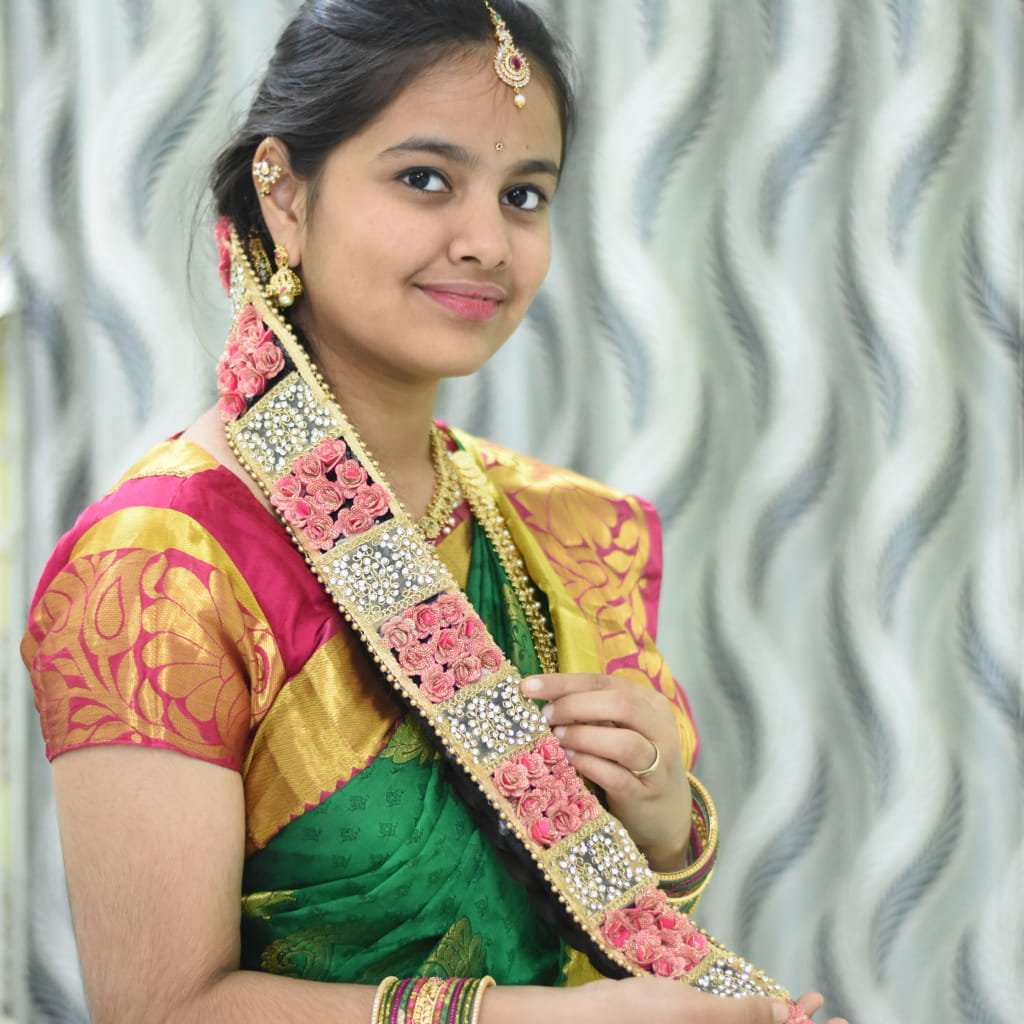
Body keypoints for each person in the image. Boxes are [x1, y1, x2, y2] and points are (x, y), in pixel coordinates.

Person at [22, 2, 848, 1022]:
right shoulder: (158, 567)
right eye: (425, 179)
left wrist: (667, 830)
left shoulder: (563, 529)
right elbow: (158, 1009)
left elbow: (592, 925)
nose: (486, 242)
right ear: (282, 195)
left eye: (524, 194)